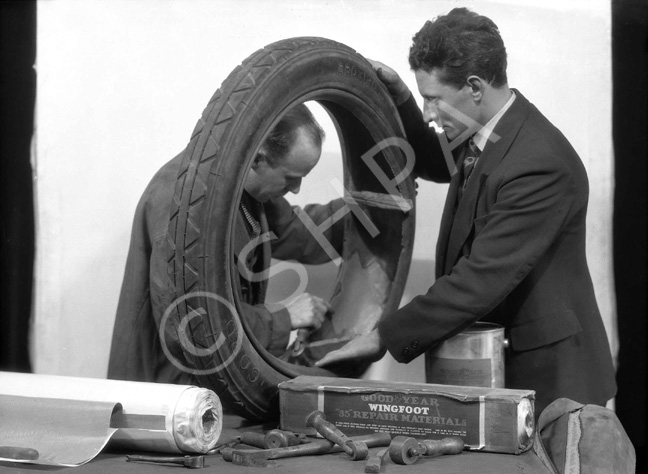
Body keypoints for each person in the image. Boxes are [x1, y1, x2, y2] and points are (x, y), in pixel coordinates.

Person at [317, 7, 616, 415]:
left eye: (433, 99)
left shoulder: (540, 164)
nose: (428, 114)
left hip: (553, 381)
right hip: (506, 366)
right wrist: (402, 98)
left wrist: (383, 337)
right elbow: (431, 157)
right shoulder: (485, 128)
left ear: (474, 87)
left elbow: (480, 279)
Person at [108, 104, 344, 385]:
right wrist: (283, 317)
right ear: (258, 158)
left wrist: (365, 207)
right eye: (292, 178)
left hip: (210, 381)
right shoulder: (183, 204)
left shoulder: (238, 183)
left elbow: (299, 233)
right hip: (168, 392)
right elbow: (192, 325)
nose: (296, 190)